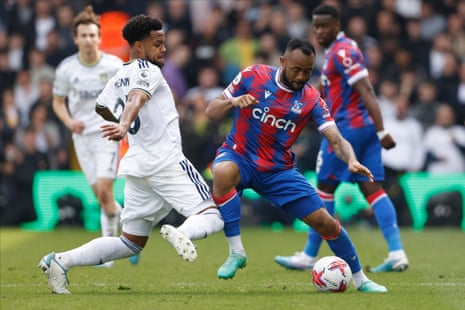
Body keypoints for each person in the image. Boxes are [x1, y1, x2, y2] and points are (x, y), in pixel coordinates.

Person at [38, 15, 224, 294]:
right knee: (212, 215)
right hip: (167, 161)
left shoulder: (119, 75)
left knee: (130, 243)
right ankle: (182, 233)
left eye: (164, 43)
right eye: (157, 44)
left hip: (138, 166)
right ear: (139, 47)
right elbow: (137, 98)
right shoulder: (149, 71)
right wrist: (124, 124)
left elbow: (101, 106)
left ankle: (61, 261)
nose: (163, 49)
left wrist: (119, 119)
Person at [206, 37, 387, 292]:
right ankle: (236, 252)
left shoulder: (311, 99)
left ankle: (361, 279)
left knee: (325, 222)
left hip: (278, 171)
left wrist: (352, 158)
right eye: (296, 69)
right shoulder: (253, 75)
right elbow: (211, 111)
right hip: (240, 157)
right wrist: (233, 102)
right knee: (222, 171)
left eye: (308, 71)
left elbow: (336, 138)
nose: (302, 76)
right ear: (282, 62)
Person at [274, 4, 409, 273]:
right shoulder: (338, 51)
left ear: (337, 25)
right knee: (374, 190)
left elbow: (366, 88)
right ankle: (397, 253)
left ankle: (309, 255)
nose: (319, 31)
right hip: (364, 130)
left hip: (347, 130)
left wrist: (383, 130)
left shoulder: (343, 51)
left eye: (325, 26)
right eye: (316, 27)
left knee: (324, 188)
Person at [49, 6, 127, 267]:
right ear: (75, 39)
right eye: (83, 36)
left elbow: (129, 97)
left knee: (105, 191)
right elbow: (57, 102)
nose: (88, 40)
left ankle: (108, 251)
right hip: (82, 139)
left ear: (99, 37)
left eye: (93, 35)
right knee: (103, 198)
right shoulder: (66, 69)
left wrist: (124, 122)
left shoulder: (114, 66)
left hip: (107, 134)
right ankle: (127, 219)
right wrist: (70, 122)